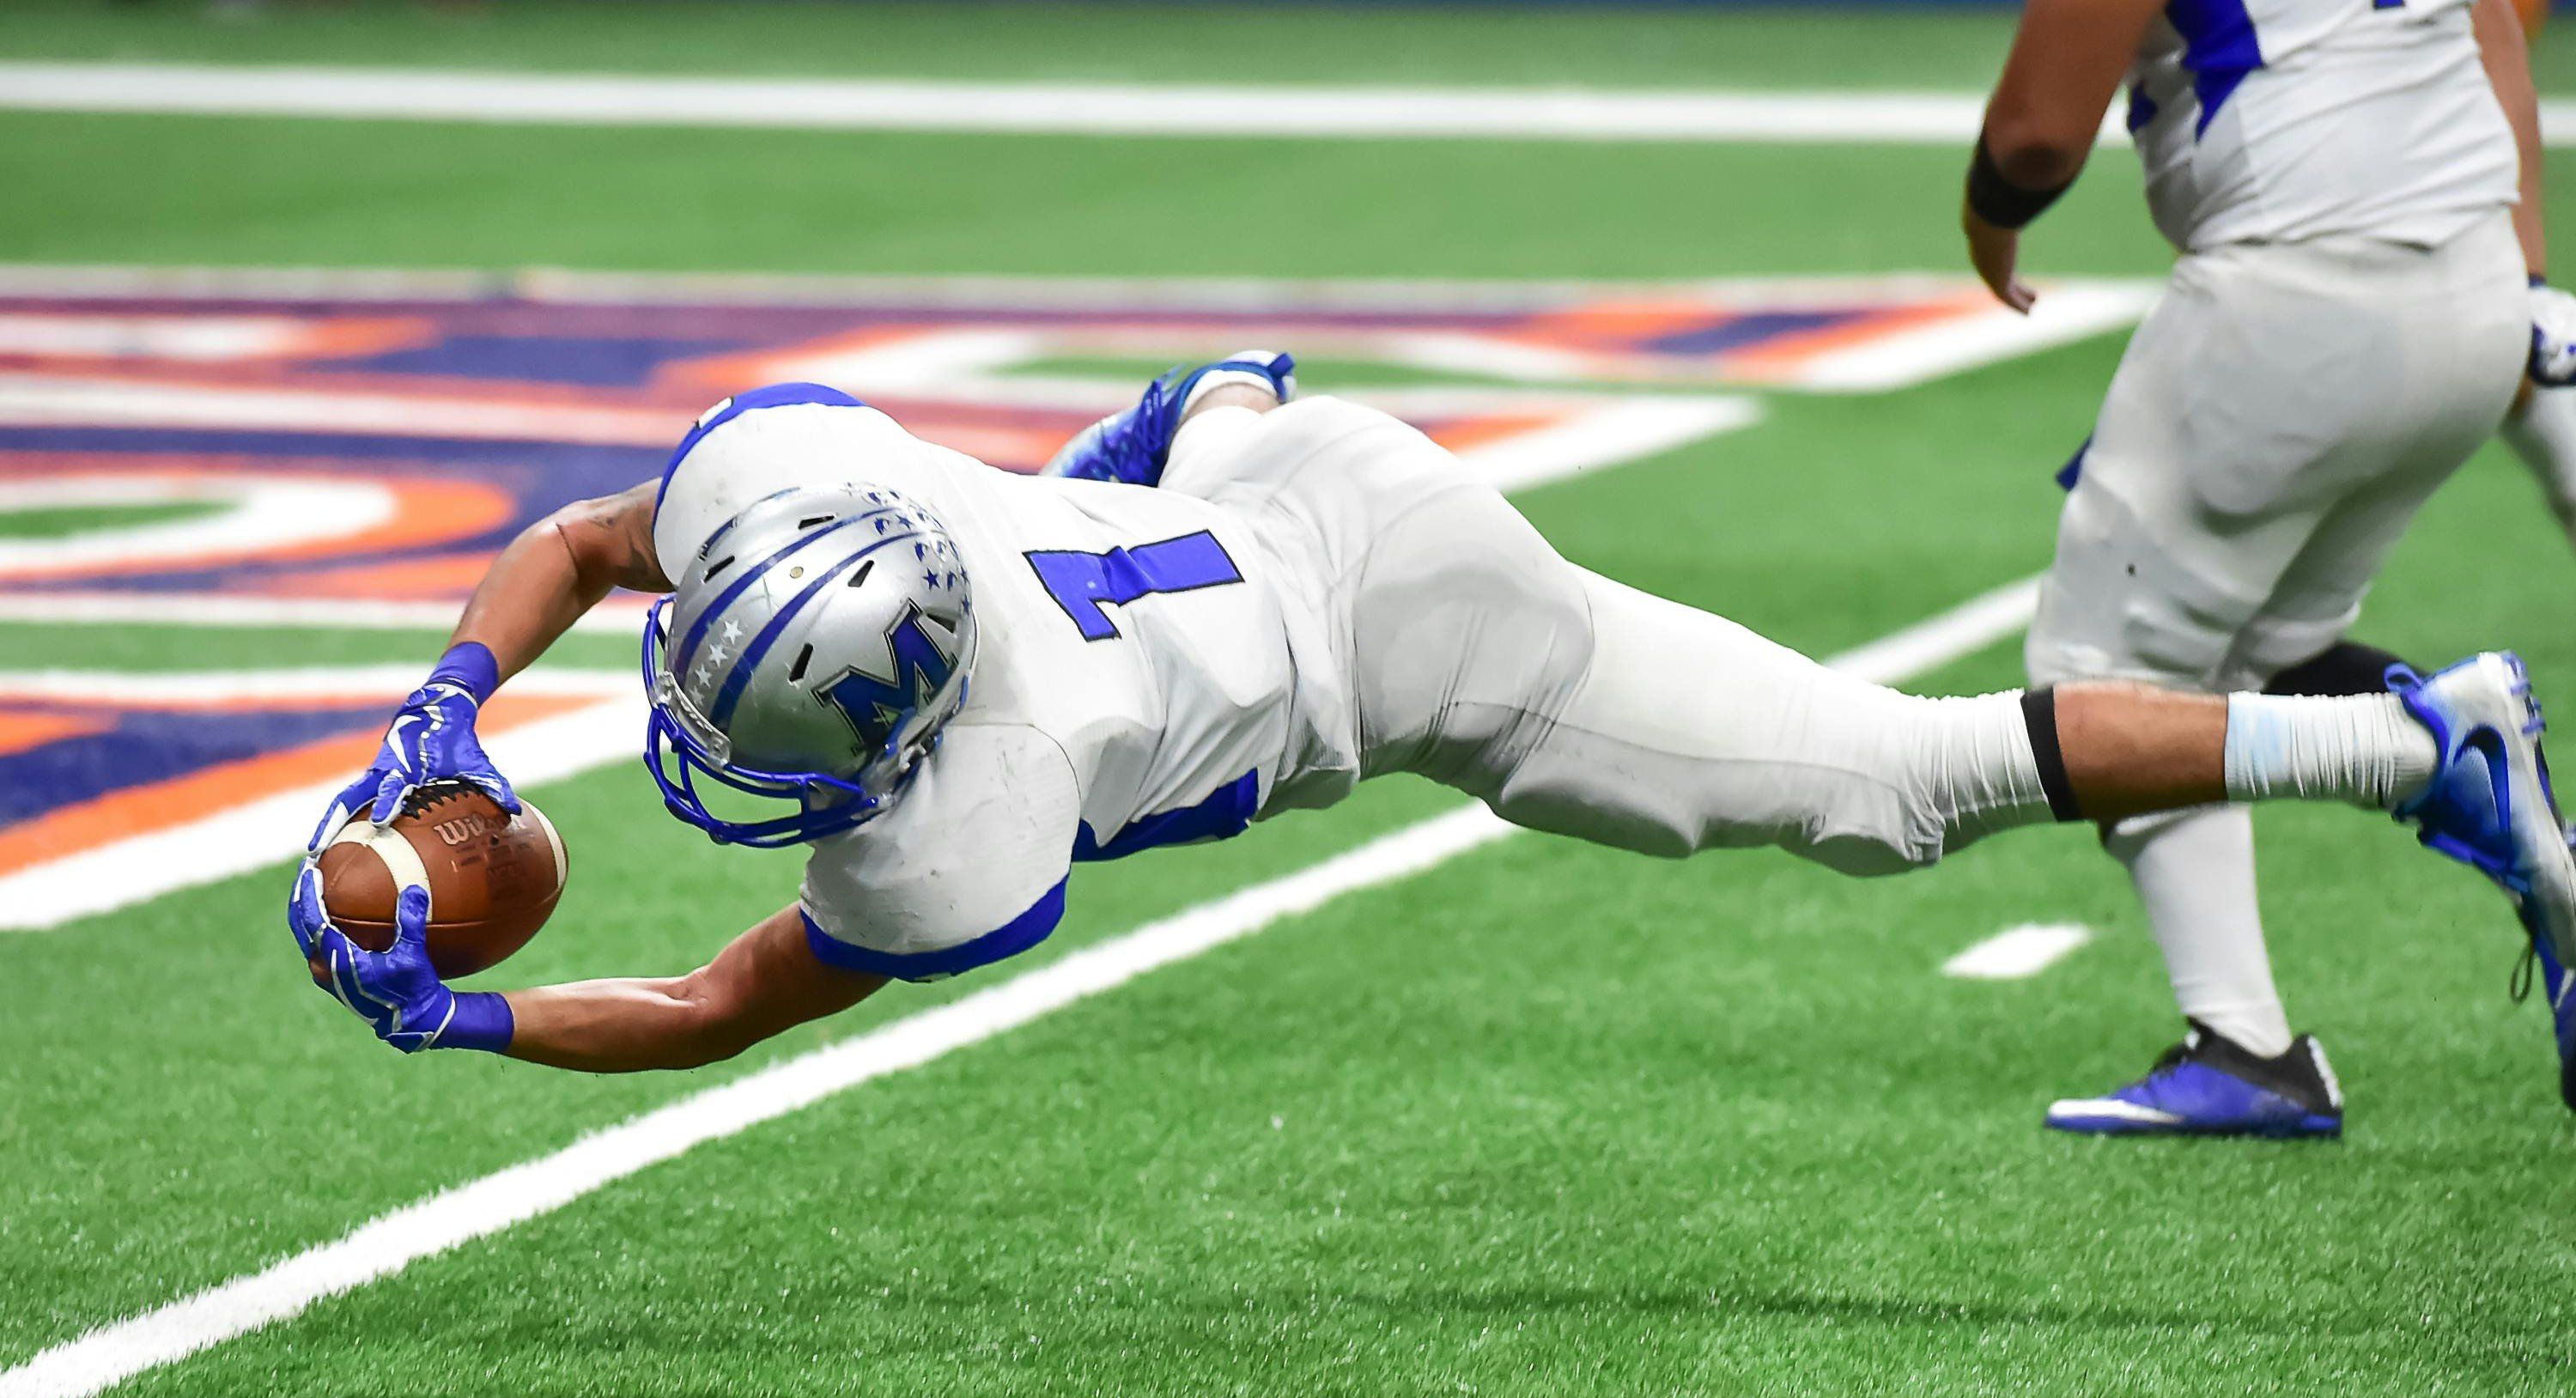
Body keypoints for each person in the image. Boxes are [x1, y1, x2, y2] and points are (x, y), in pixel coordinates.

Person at [288, 362, 2575, 1117]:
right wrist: (441, 705)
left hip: (1410, 641)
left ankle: (2421, 749)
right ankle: (2417, 754)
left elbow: (709, 996)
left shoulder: (965, 824)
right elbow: (595, 543)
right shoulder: (807, 498)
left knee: (1898, 788)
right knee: (1169, 436)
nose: (670, 676)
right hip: (1266, 474)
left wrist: (468, 1017)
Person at [1961, 0, 2576, 1135]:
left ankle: (2250, 1042)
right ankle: (2481, 785)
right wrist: (2525, 278)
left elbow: (2035, 136)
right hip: (2474, 285)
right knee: (2261, 649)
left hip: (2298, 293)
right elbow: (2498, 23)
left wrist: (1987, 218)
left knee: (2102, 675)